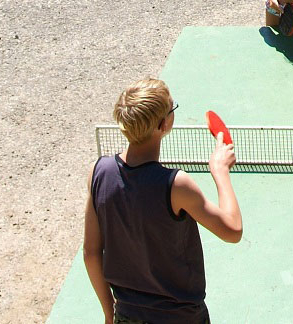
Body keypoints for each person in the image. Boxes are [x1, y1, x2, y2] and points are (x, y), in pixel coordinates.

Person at [83, 78, 242, 324]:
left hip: (127, 316)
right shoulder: (176, 185)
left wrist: (108, 313)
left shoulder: (99, 171)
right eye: (172, 108)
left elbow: (91, 253)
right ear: (163, 124)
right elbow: (232, 231)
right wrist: (220, 172)